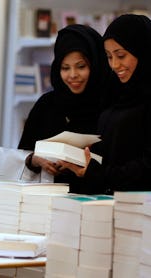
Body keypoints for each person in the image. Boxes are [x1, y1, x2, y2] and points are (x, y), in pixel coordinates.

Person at [58, 14, 151, 195]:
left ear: (142, 51)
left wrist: (97, 172)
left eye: (121, 55)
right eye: (109, 56)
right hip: (106, 200)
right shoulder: (116, 92)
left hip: (140, 206)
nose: (115, 65)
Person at [18, 24, 109, 187]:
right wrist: (34, 160)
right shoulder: (46, 105)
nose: (73, 75)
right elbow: (22, 154)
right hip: (44, 201)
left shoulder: (110, 107)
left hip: (95, 203)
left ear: (95, 64)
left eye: (81, 66)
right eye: (65, 68)